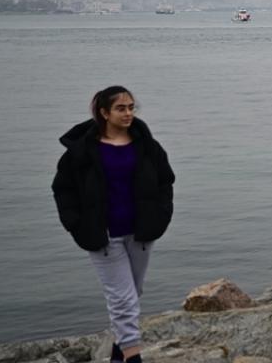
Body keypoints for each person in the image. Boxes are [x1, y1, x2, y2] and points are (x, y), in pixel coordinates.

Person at [52, 87, 175, 363]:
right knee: (122, 299)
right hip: (104, 238)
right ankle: (133, 358)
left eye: (131, 107)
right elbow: (63, 189)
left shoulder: (147, 146)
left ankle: (118, 355)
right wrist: (75, 223)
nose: (128, 113)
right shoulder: (82, 151)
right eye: (121, 108)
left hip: (141, 234)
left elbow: (165, 181)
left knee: (133, 293)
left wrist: (161, 215)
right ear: (104, 113)